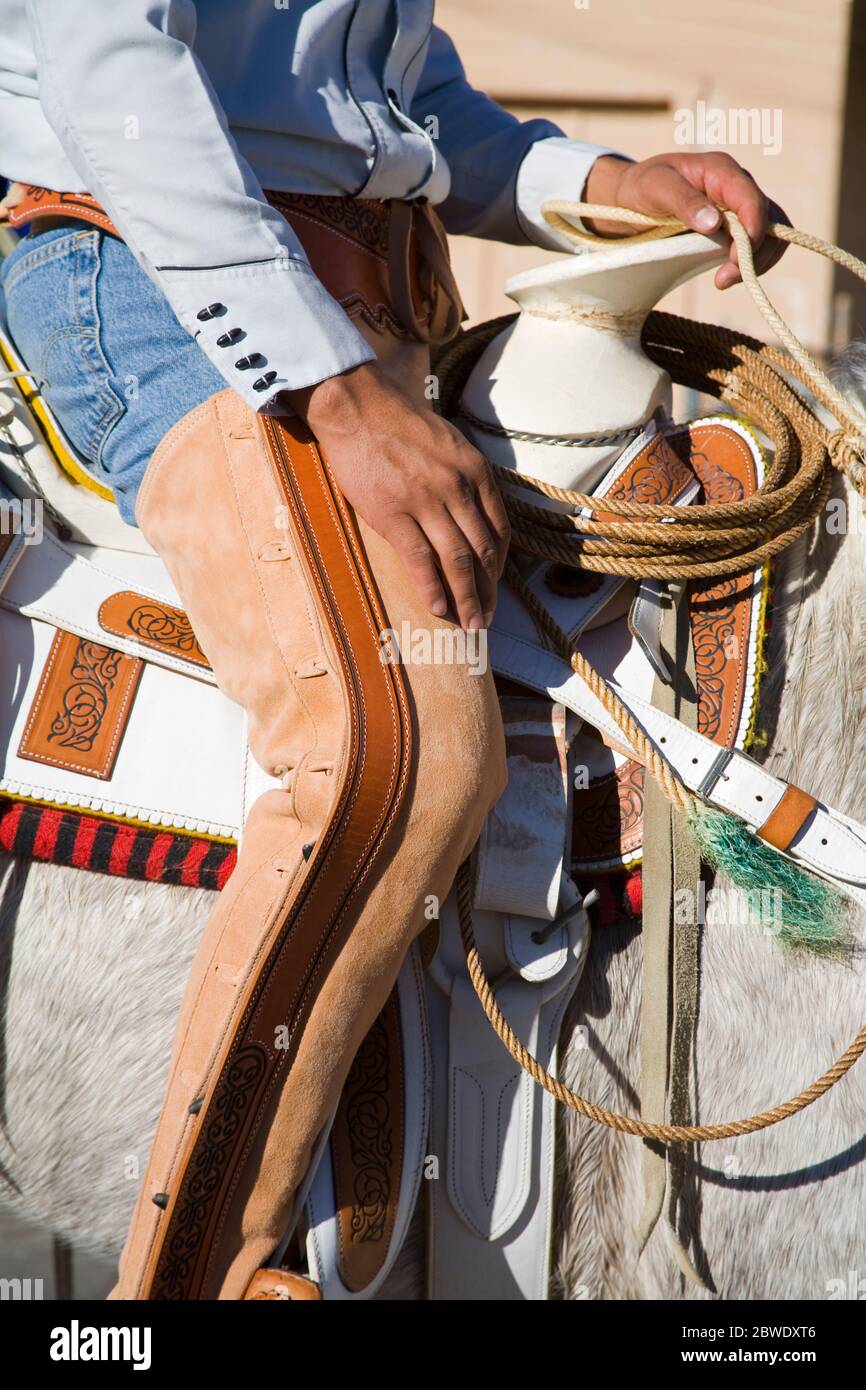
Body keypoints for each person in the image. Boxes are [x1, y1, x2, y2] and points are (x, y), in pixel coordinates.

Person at [0, 2, 785, 1300]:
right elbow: (110, 58)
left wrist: (596, 181)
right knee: (401, 741)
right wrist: (335, 389)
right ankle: (205, 1273)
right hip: (141, 270)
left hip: (367, 293)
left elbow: (387, 109)